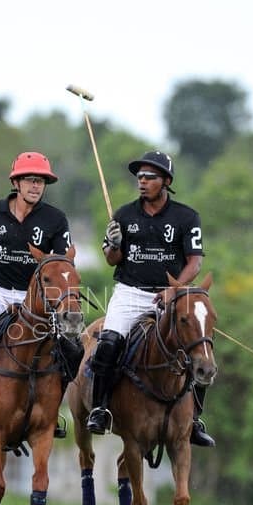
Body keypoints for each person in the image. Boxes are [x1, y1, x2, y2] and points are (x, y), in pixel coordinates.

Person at [85, 149, 215, 447]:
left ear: (166, 181)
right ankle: (100, 408)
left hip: (170, 295)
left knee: (198, 345)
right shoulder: (124, 215)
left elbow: (195, 262)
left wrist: (174, 289)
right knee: (108, 343)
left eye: (149, 177)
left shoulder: (186, 216)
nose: (142, 182)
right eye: (139, 177)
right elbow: (111, 259)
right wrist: (113, 245)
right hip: (130, 293)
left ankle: (193, 420)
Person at [0, 151, 80, 427]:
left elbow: (62, 261)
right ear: (16, 183)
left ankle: (53, 408)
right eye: (30, 180)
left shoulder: (55, 219)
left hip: (33, 297)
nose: (35, 186)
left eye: (41, 181)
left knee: (72, 346)